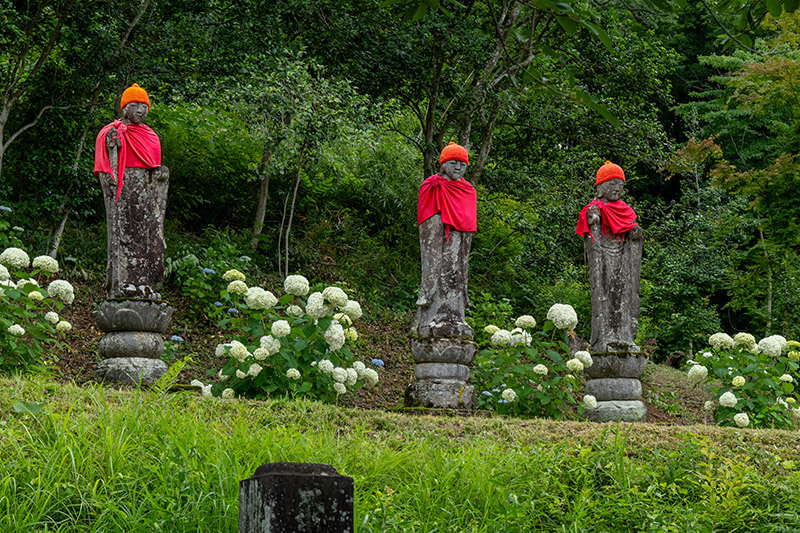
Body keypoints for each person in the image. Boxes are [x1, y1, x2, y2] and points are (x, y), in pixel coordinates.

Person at [94, 84, 169, 299]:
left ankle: (144, 283)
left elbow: (156, 170)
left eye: (144, 106)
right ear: (125, 108)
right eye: (135, 105)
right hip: (122, 189)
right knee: (122, 235)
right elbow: (106, 166)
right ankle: (123, 283)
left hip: (144, 194)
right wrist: (112, 147)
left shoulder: (150, 136)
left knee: (145, 237)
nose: (140, 110)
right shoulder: (113, 131)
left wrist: (161, 173)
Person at [576, 161, 642, 353]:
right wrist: (594, 219)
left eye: (620, 185)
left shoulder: (626, 211)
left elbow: (633, 234)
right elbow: (591, 234)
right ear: (601, 188)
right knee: (604, 297)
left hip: (623, 260)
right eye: (612, 184)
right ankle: (604, 338)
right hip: (603, 257)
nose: (617, 189)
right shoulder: (595, 208)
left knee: (623, 298)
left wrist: (636, 234)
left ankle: (625, 337)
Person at [415, 142, 477, 338]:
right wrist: (439, 224)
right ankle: (432, 317)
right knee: (439, 273)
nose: (458, 168)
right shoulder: (431, 185)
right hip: (438, 243)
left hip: (457, 246)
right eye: (453, 163)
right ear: (443, 164)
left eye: (462, 164)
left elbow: (468, 222)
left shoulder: (468, 190)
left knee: (455, 276)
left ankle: (456, 317)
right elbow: (425, 218)